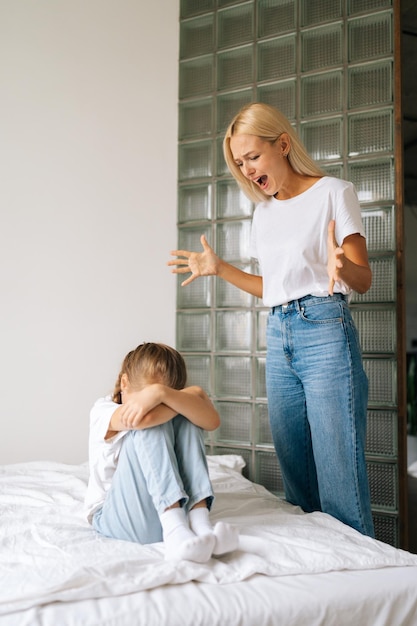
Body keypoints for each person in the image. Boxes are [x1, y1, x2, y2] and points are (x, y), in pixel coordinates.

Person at [168, 102, 374, 537]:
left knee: (340, 478)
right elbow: (275, 286)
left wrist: (341, 265)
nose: (247, 170)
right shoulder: (263, 214)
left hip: (324, 330)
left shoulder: (335, 192)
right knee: (296, 477)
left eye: (253, 157)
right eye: (240, 163)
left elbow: (363, 278)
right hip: (279, 333)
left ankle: (362, 573)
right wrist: (219, 268)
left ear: (282, 144)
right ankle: (316, 573)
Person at [84, 342, 239, 562]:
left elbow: (211, 421)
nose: (157, 399)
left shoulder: (165, 396)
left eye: (165, 393)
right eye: (150, 394)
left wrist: (162, 394)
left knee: (188, 415)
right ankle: (174, 527)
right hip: (117, 519)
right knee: (154, 419)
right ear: (124, 382)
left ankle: (202, 525)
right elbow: (144, 419)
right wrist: (186, 394)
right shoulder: (103, 410)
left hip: (172, 516)